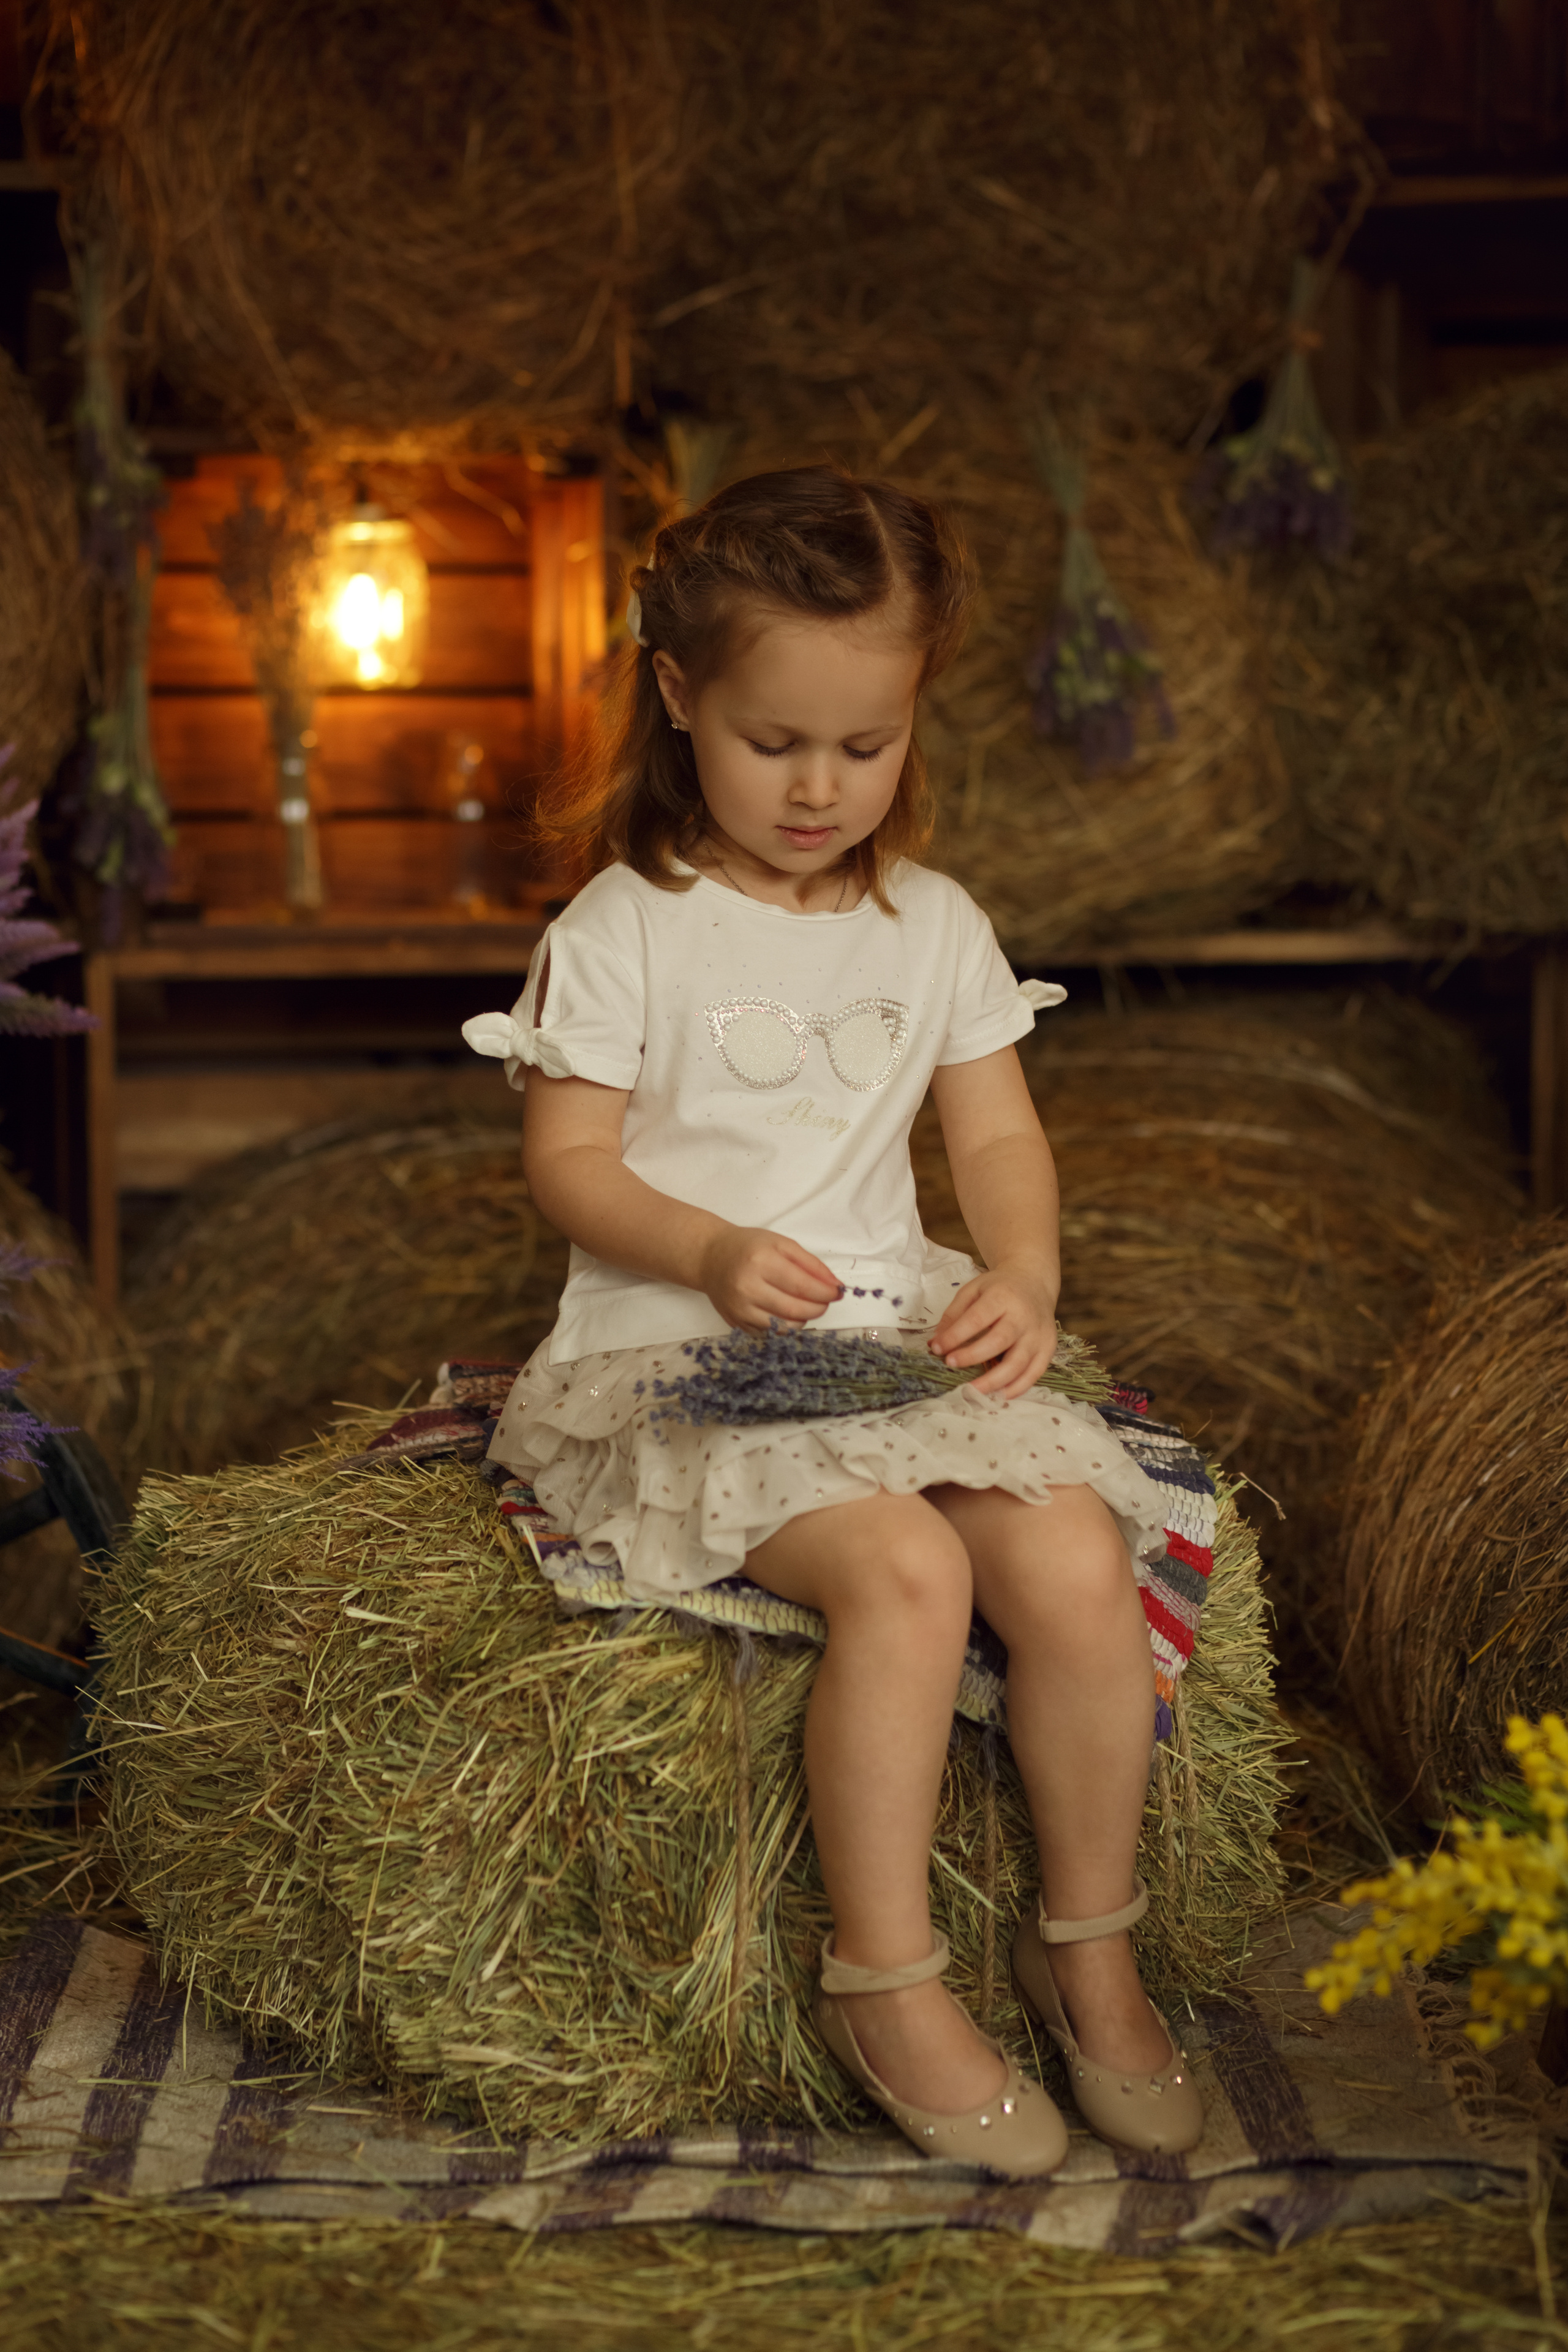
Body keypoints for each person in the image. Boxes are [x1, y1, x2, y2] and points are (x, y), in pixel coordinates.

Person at [462, 466, 1203, 2176]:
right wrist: (710, 1248)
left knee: (1076, 1558)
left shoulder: (930, 923)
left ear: (913, 716)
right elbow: (569, 1163)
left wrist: (1020, 1277)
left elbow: (998, 1135)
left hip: (885, 1336)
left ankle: (1088, 1949)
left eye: (862, 749)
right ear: (677, 696)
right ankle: (886, 1977)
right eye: (774, 740)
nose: (819, 788)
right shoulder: (628, 927)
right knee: (910, 1571)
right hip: (681, 1348)